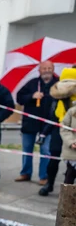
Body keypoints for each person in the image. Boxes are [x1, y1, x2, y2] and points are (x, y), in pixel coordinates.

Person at [15, 61, 58, 184]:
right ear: (39, 70)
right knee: (27, 149)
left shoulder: (58, 84)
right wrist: (31, 96)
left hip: (48, 125)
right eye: (44, 68)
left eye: (49, 68)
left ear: (53, 69)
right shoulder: (32, 83)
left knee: (45, 150)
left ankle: (44, 176)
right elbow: (19, 98)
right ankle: (25, 173)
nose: (47, 70)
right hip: (30, 124)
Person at [39, 66, 76, 196]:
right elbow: (53, 117)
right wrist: (44, 132)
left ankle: (68, 190)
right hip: (58, 130)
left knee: (72, 163)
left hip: (73, 133)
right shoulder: (58, 98)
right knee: (53, 157)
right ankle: (49, 183)